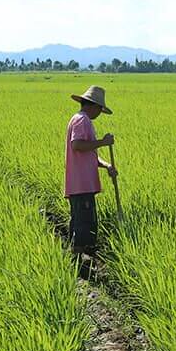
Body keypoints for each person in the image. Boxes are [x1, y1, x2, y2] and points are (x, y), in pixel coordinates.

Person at [64, 85, 117, 269]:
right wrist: (103, 142)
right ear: (93, 106)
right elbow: (77, 145)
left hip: (82, 183)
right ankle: (79, 265)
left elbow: (89, 155)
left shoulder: (80, 119)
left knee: (82, 221)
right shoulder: (82, 120)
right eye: (100, 110)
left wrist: (106, 165)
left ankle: (79, 263)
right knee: (83, 224)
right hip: (81, 184)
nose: (99, 114)